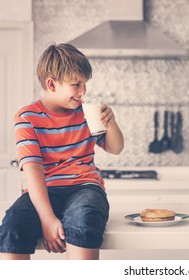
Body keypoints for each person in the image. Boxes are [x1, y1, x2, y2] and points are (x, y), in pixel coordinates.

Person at [0, 43, 124, 260]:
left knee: (85, 217)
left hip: (85, 186)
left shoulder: (87, 113)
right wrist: (47, 219)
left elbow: (115, 148)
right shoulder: (27, 118)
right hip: (45, 189)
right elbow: (33, 171)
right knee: (12, 226)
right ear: (52, 84)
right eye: (76, 84)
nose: (83, 92)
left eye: (85, 84)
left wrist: (111, 122)